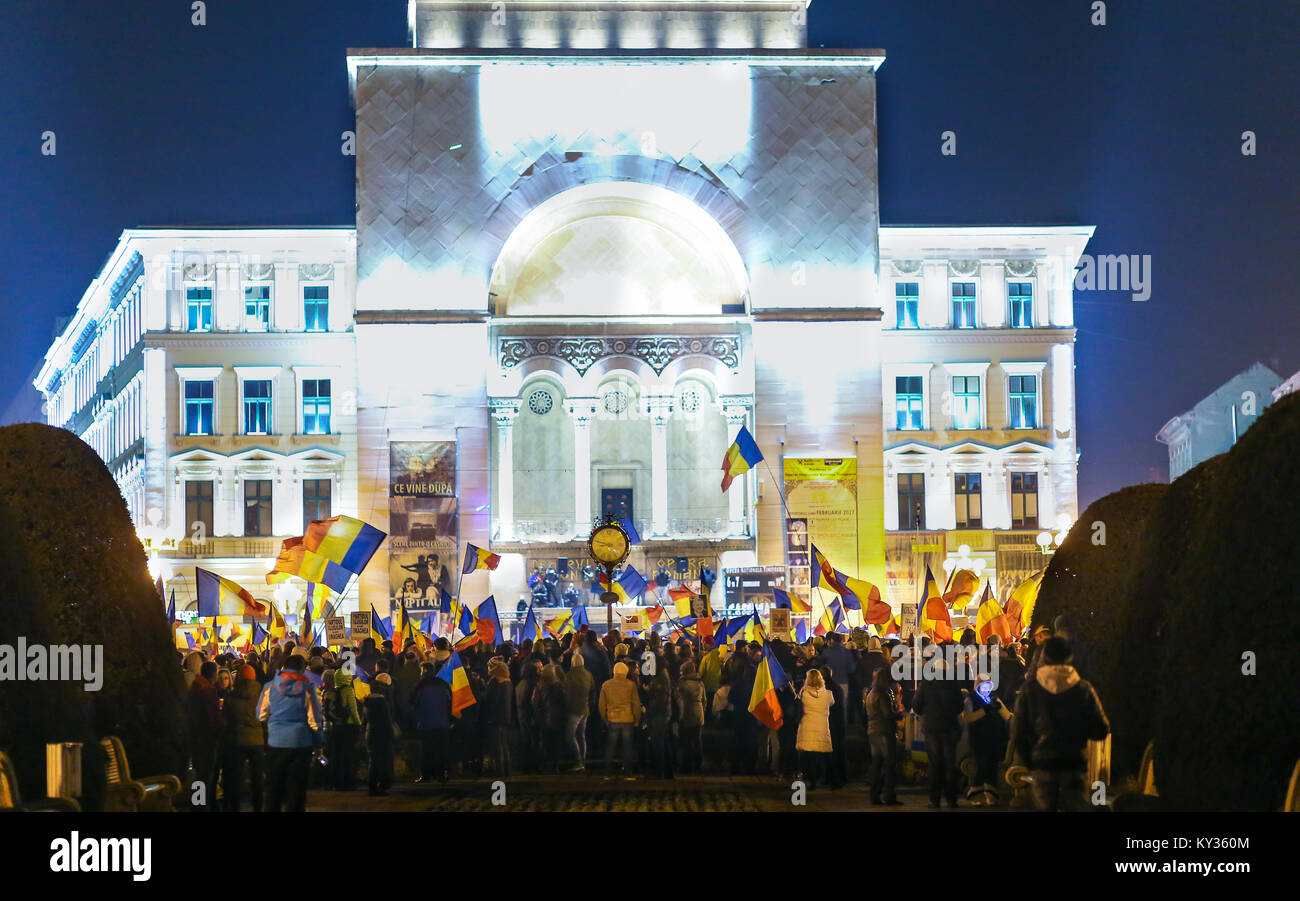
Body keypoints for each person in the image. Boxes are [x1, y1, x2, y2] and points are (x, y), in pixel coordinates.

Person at [1011, 636, 1110, 811]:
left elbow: (1018, 732)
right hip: (1073, 762)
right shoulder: (1083, 689)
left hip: (1042, 763)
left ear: (1044, 657)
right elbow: (1101, 729)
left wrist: (1029, 761)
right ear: (1070, 657)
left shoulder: (1030, 689)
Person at [257, 653, 323, 812]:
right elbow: (314, 719)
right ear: (302, 669)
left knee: (274, 789)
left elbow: (261, 714)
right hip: (301, 743)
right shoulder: (307, 688)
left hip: (276, 742)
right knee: (297, 790)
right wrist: (319, 742)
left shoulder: (270, 687)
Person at [912, 653, 964, 808]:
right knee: (950, 764)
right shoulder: (954, 685)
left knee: (935, 764)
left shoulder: (926, 684)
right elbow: (959, 707)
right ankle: (951, 799)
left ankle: (934, 800)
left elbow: (917, 707)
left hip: (931, 729)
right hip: (949, 728)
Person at [961, 675, 1013, 806]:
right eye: (983, 686)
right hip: (978, 737)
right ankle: (976, 795)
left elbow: (1006, 715)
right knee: (980, 765)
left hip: (994, 737)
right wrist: (985, 710)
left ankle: (991, 795)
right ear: (977, 686)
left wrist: (1014, 718)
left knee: (991, 766)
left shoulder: (994, 698)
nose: (986, 689)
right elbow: (967, 717)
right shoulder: (970, 699)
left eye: (988, 686)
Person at [220, 664, 264, 812]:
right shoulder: (261, 695)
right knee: (257, 777)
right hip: (257, 740)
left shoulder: (231, 696)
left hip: (236, 740)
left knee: (236, 778)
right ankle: (258, 806)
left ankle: (235, 807)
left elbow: (225, 719)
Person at [186, 660, 223, 810]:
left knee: (199, 773)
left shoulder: (195, 687)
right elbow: (212, 717)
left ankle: (197, 803)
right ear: (213, 675)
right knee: (205, 774)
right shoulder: (208, 690)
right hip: (206, 739)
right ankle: (200, 805)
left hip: (196, 737)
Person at [865, 667, 903, 805]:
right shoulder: (883, 694)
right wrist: (898, 715)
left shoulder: (870, 694)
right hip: (885, 731)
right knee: (889, 765)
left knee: (876, 764)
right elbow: (888, 714)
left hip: (873, 731)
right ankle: (889, 795)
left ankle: (874, 795)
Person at [411, 662, 454, 783]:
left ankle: (426, 775)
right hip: (442, 722)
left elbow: (413, 704)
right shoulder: (443, 685)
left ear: (423, 671)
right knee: (441, 749)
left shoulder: (420, 686)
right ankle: (441, 774)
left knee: (426, 750)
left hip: (425, 722)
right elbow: (450, 703)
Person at [598, 661, 641, 777]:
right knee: (627, 746)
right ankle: (628, 772)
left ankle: (607, 772)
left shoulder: (606, 685)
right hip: (627, 719)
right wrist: (637, 719)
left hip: (612, 719)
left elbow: (602, 705)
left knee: (610, 746)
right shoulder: (630, 685)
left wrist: (605, 719)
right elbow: (636, 703)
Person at [795, 668, 834, 790]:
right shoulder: (828, 694)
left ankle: (810, 781)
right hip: (822, 727)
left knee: (808, 758)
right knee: (821, 756)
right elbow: (832, 703)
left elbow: (798, 704)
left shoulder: (804, 693)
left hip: (807, 727)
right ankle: (825, 778)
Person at [326, 668, 362, 790]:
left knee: (336, 755)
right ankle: (348, 781)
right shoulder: (348, 690)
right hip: (348, 726)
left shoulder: (330, 691)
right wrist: (359, 724)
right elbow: (353, 710)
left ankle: (335, 781)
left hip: (336, 726)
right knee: (347, 755)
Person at [364, 672, 395, 795]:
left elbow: (364, 719)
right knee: (381, 760)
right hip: (382, 733)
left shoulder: (367, 701)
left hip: (370, 732)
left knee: (374, 760)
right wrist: (391, 733)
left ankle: (372, 785)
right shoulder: (381, 702)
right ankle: (380, 786)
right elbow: (386, 720)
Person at [563, 650, 593, 771]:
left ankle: (578, 761)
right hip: (585, 708)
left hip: (574, 709)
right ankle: (583, 761)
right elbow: (593, 692)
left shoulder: (569, 675)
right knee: (581, 735)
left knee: (570, 735)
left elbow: (566, 692)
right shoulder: (588, 674)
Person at [483, 658, 514, 777]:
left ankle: (499, 769)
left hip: (495, 717)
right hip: (506, 716)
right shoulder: (508, 682)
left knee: (497, 745)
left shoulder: (495, 682)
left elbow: (490, 700)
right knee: (504, 744)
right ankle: (507, 769)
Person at [675, 659, 706, 774]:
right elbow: (704, 700)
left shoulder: (682, 683)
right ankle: (698, 764)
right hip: (698, 712)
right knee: (697, 740)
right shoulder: (700, 683)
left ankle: (686, 765)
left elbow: (678, 698)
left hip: (686, 712)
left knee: (686, 740)